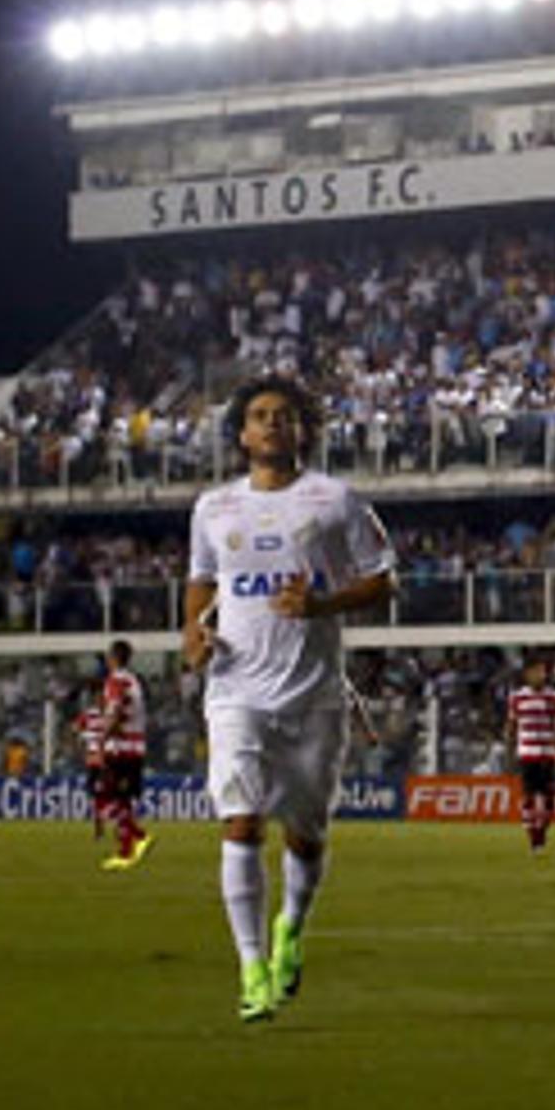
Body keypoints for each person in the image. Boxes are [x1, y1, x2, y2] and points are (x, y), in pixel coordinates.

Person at [183, 377, 396, 1024]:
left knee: (305, 836)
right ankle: (251, 969)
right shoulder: (213, 508)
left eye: (284, 416)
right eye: (259, 416)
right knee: (241, 822)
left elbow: (383, 583)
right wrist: (193, 633)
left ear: (303, 429)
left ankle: (290, 930)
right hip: (235, 689)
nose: (272, 425)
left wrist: (322, 604)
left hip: (315, 694)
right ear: (242, 434)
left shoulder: (336, 501)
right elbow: (200, 581)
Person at [85, 638, 152, 869]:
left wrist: (101, 743)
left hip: (121, 749)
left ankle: (139, 835)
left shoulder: (116, 682)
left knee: (103, 797)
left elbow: (114, 713)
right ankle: (126, 851)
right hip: (136, 747)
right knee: (123, 800)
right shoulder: (134, 680)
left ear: (112, 658)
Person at [507, 657, 555, 853]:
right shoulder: (517, 698)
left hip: (548, 753)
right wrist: (510, 749)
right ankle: (533, 837)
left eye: (543, 671)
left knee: (549, 798)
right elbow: (512, 725)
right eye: (536, 671)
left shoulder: (554, 697)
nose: (540, 675)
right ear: (527, 674)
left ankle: (542, 831)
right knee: (528, 796)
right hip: (527, 753)